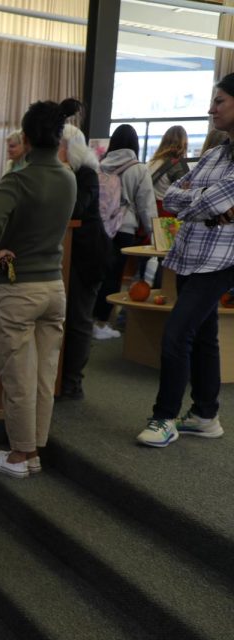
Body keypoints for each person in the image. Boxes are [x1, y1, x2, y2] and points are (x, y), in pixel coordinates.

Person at [0, 99, 77, 478]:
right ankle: (33, 450)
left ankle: (19, 455)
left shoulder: (19, 178)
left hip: (19, 290)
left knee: (18, 375)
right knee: (44, 376)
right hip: (53, 287)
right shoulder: (69, 177)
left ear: (27, 138)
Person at [134, 74, 234, 448]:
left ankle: (164, 417)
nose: (211, 109)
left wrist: (203, 200)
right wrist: (212, 206)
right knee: (205, 336)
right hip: (190, 256)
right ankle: (206, 414)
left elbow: (199, 200)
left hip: (221, 261)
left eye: (220, 101)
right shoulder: (213, 153)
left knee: (176, 334)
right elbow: (173, 198)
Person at [58, 122, 109, 401]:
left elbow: (75, 210)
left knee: (78, 320)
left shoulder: (86, 174)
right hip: (67, 253)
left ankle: (72, 383)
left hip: (87, 255)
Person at [93, 124, 156, 340]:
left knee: (95, 273)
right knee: (114, 275)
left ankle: (87, 319)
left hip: (99, 227)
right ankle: (101, 323)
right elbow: (146, 206)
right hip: (124, 228)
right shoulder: (139, 169)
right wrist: (154, 235)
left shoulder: (99, 166)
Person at [147, 126, 190, 213]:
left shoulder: (151, 163)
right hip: (167, 215)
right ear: (183, 143)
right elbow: (183, 198)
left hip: (149, 211)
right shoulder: (178, 166)